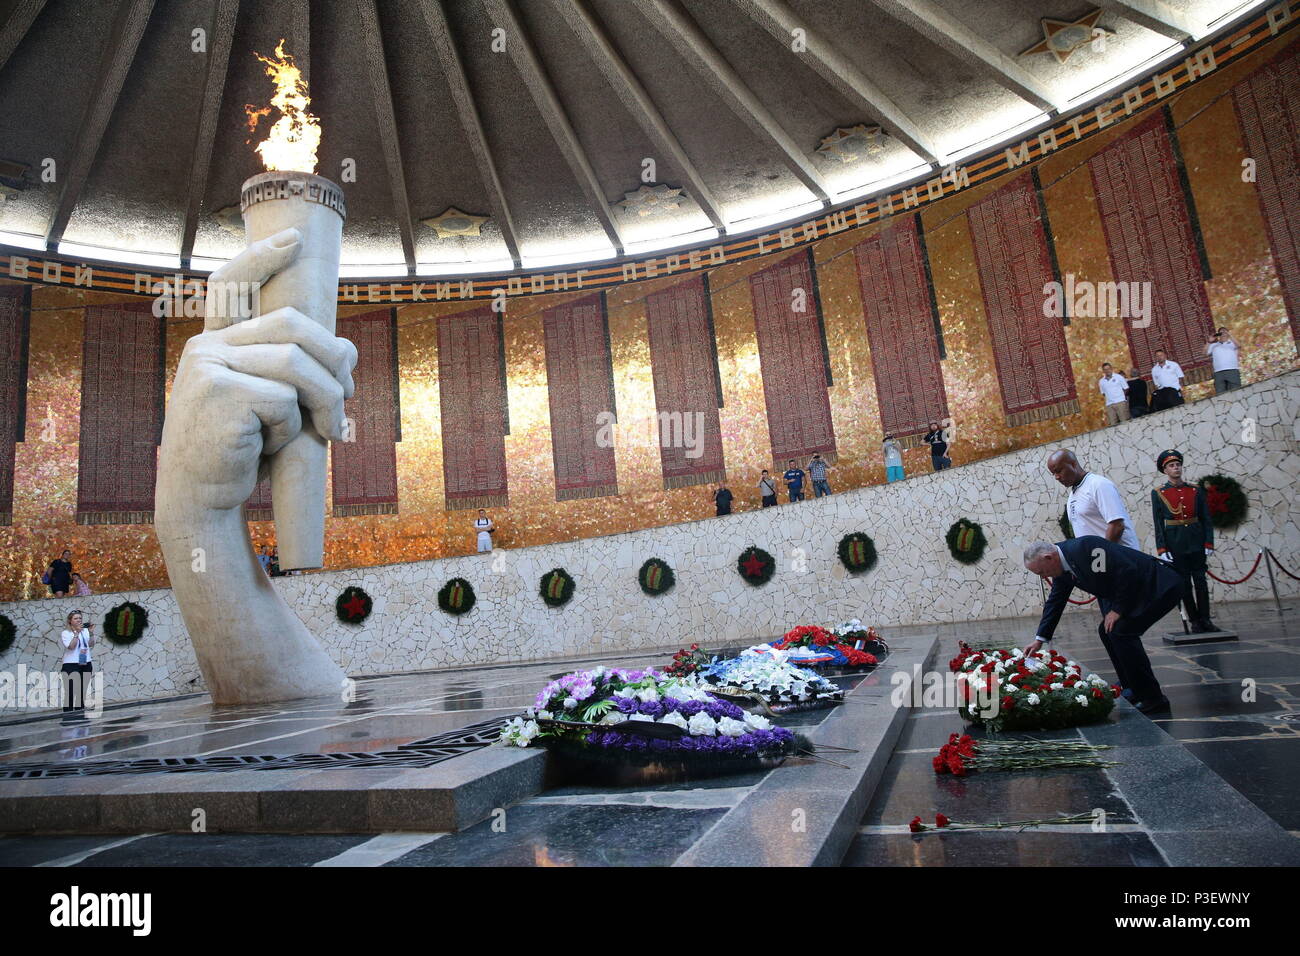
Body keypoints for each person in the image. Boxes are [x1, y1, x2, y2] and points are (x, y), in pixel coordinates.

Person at [1023, 538, 1174, 714]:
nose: (1043, 577)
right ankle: (1132, 686)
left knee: (1121, 632)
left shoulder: (1084, 549)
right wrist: (1039, 640)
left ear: (1049, 558)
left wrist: (1118, 609)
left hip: (1159, 585)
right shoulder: (1062, 568)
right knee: (1107, 631)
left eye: (1041, 572)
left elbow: (1127, 571)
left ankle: (1153, 697)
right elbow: (1055, 602)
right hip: (1140, 589)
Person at [1151, 449, 1217, 633]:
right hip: (1175, 543)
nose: (1176, 468)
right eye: (1171, 466)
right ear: (1165, 470)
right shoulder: (1158, 493)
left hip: (1196, 540)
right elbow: (1158, 523)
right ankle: (1194, 620)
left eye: (1178, 465)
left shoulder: (1195, 490)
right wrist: (1162, 548)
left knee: (1201, 582)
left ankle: (1206, 619)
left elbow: (1205, 518)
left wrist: (1208, 542)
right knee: (1185, 584)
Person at [1047, 449, 1139, 549]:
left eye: (1059, 471)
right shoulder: (1072, 496)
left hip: (1123, 559)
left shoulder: (1098, 485)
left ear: (1073, 464)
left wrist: (1103, 557)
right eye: (1053, 474)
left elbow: (1117, 526)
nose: (1056, 477)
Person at [59, 610, 96, 715]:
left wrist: (91, 632)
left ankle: (80, 713)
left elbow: (91, 644)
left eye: (80, 618)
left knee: (82, 690)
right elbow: (71, 647)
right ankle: (68, 714)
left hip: (85, 662)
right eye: (75, 618)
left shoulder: (85, 631)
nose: (78, 620)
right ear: (70, 621)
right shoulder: (66, 633)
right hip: (71, 664)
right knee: (70, 691)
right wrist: (76, 633)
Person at [1205, 327, 1241, 394]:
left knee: (1236, 391)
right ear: (1218, 334)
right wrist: (1209, 341)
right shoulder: (1213, 345)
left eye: (1225, 332)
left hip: (1232, 370)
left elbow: (1239, 346)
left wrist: (1230, 335)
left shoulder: (1232, 343)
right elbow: (1204, 353)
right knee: (1220, 393)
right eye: (1221, 332)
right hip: (1218, 372)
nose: (1223, 333)